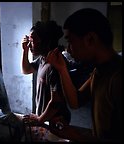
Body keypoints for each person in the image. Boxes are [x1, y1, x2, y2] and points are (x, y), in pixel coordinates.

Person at [47, 8, 122, 142]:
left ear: (90, 39)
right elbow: (75, 101)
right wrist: (62, 69)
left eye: (71, 41)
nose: (69, 49)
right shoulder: (99, 71)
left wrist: (76, 136)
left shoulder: (117, 77)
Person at [21, 20, 71, 128]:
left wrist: (39, 119)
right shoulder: (43, 59)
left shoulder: (55, 64)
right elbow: (26, 70)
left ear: (45, 42)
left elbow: (56, 102)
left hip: (56, 122)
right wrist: (25, 51)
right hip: (45, 119)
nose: (30, 45)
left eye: (33, 41)